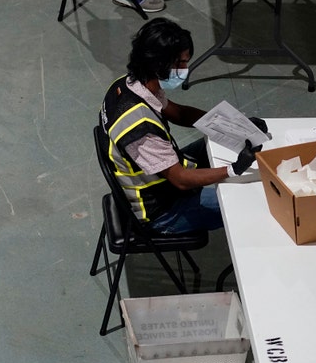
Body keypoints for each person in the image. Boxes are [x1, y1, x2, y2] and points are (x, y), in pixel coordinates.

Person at [98, 19, 265, 234]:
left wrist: (233, 125)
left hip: (161, 174)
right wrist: (234, 169)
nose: (185, 70)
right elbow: (181, 180)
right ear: (158, 64)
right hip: (162, 210)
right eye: (180, 63)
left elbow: (179, 113)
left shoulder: (130, 84)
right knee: (251, 199)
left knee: (212, 145)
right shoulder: (139, 129)